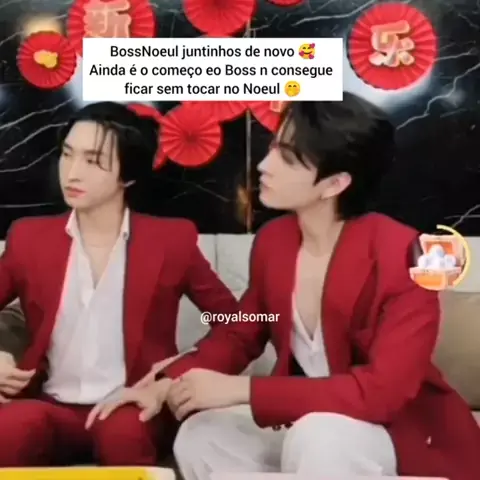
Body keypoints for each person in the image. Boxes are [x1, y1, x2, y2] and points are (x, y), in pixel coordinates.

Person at [114, 95, 480, 480]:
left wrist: (243, 389)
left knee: (319, 435)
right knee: (202, 435)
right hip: (313, 434)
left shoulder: (407, 255)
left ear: (335, 183)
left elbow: (382, 393)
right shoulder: (275, 241)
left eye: (287, 159)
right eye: (274, 147)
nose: (263, 165)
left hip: (399, 437)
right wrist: (169, 382)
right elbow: (241, 334)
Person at [0, 101, 238, 467]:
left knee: (124, 432)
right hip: (51, 404)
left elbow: (237, 324)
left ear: (128, 175)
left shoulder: (170, 241)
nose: (72, 173)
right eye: (68, 155)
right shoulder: (29, 238)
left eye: (93, 161)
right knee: (11, 427)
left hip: (129, 406)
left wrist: (172, 380)